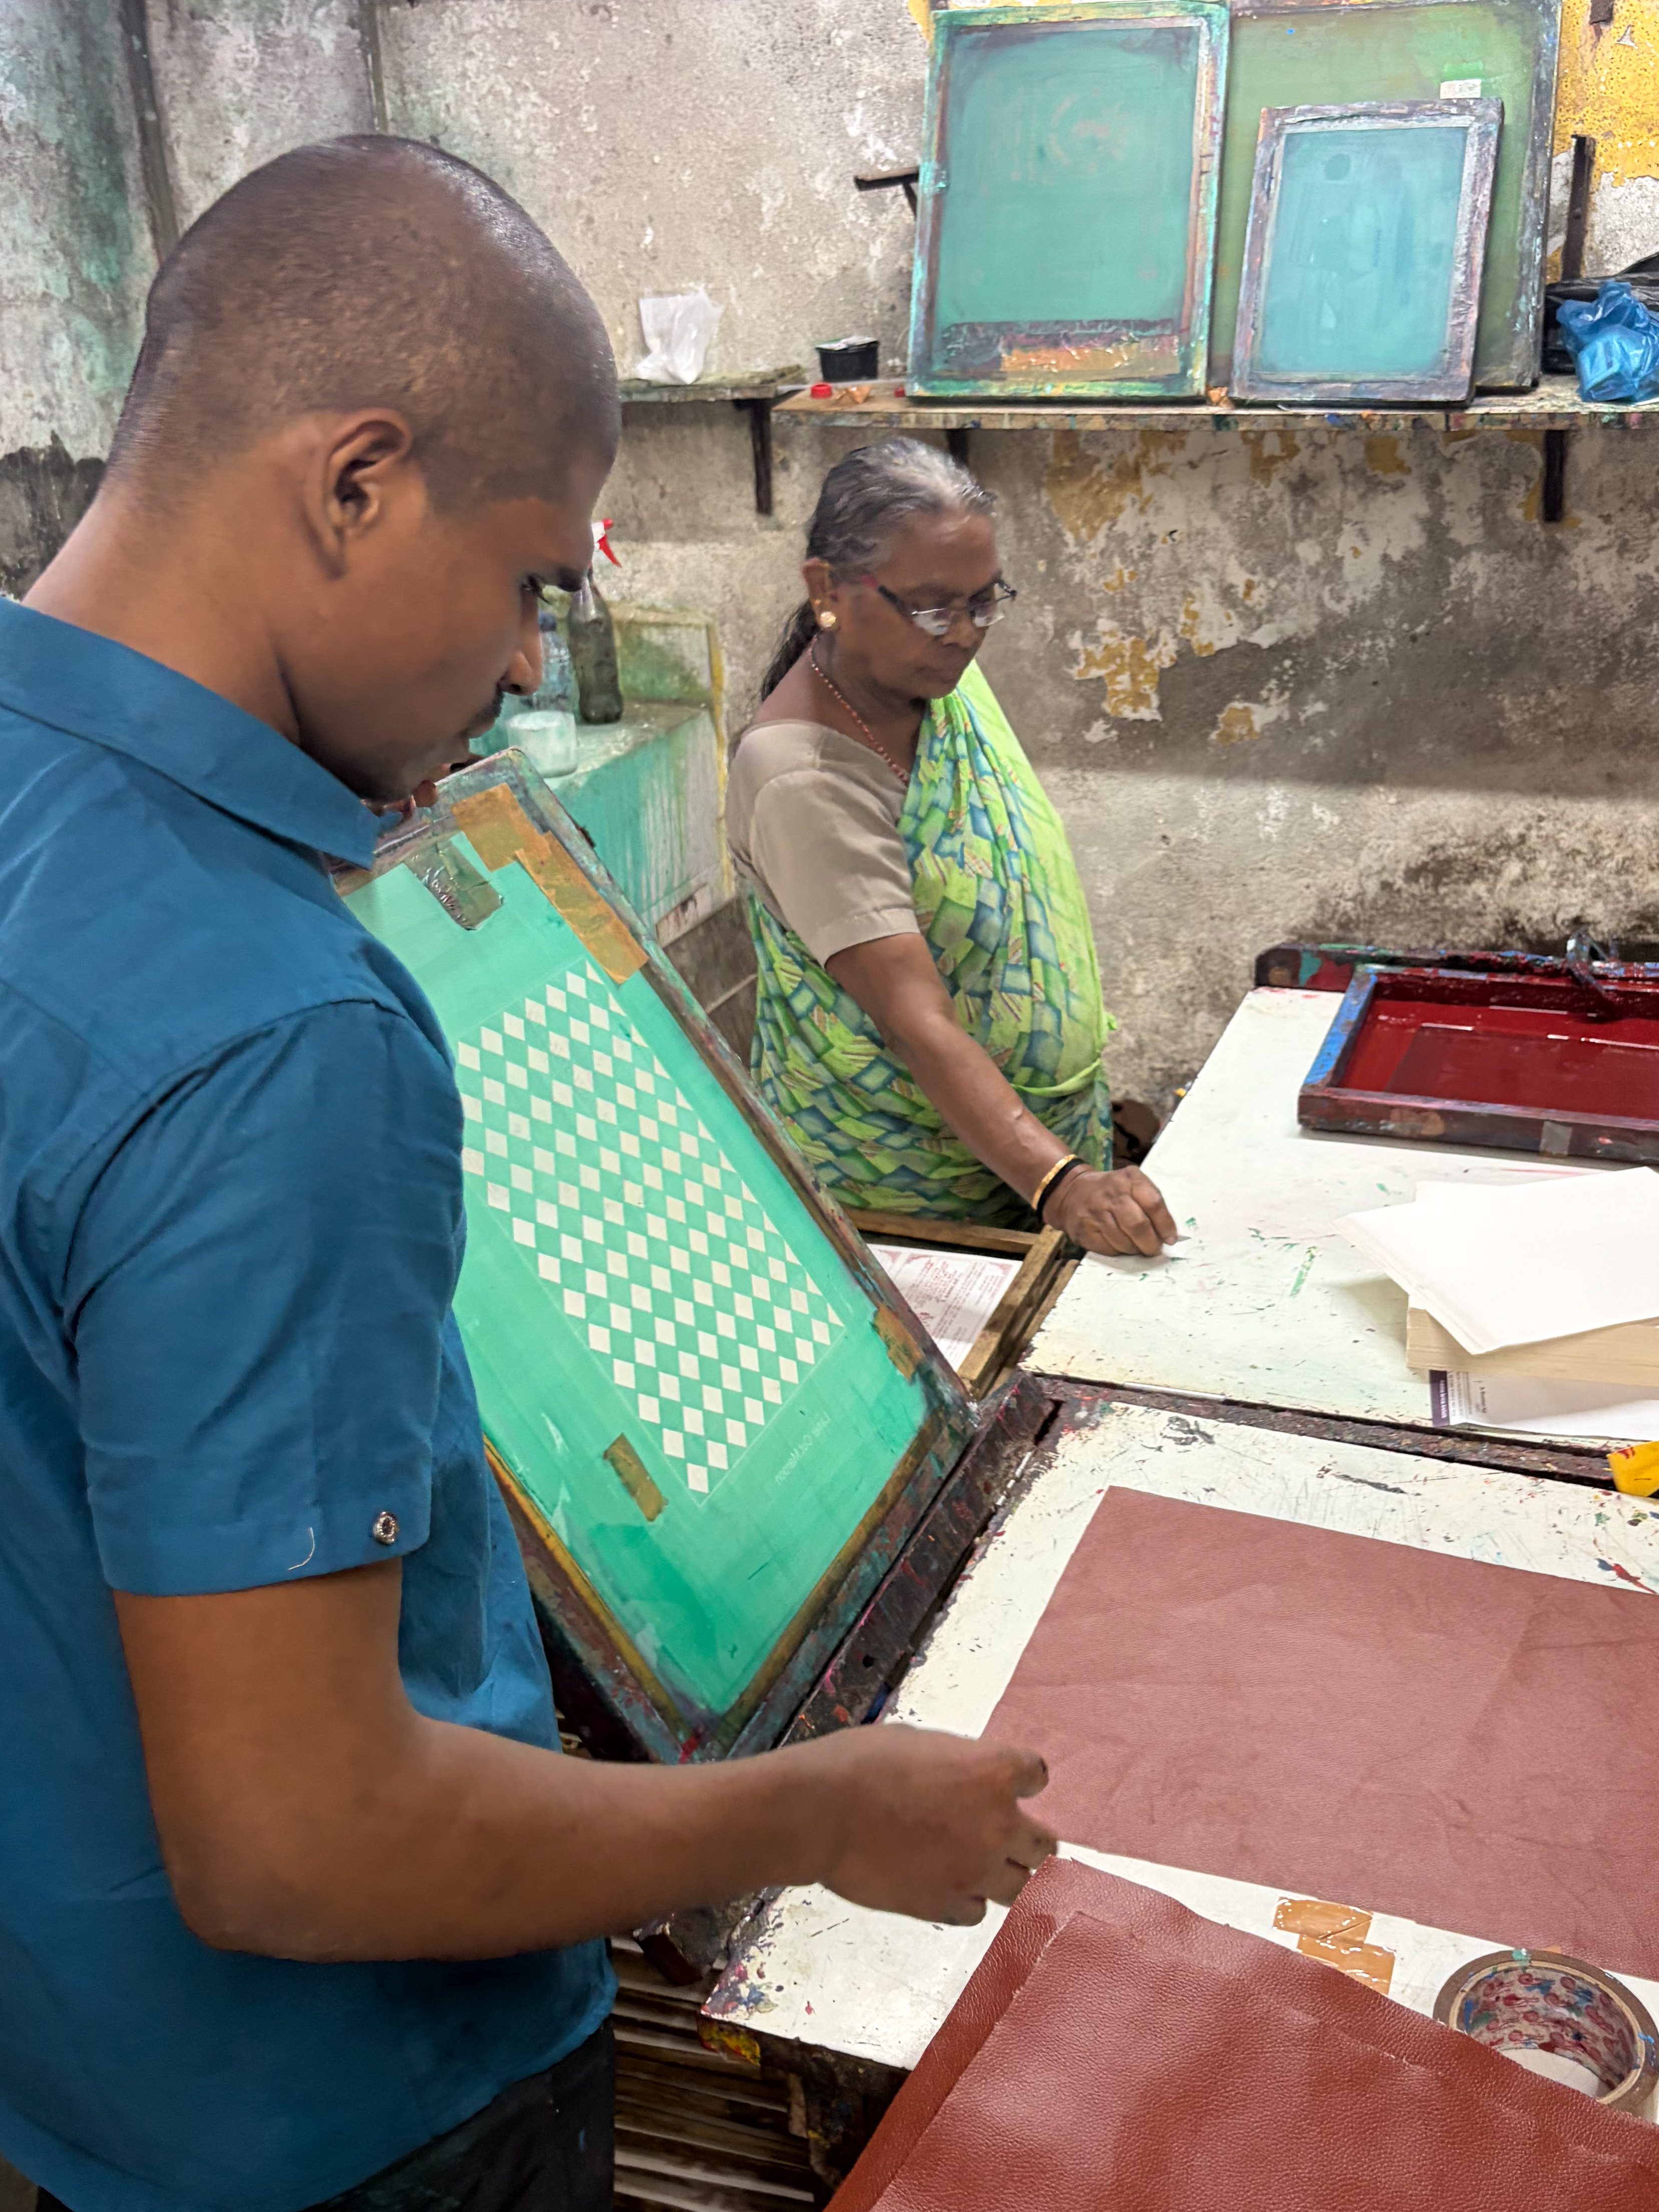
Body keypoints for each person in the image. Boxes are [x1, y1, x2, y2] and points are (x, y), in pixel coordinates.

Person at [0, 139, 1054, 2212]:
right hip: (361, 2122)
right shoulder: (278, 1028)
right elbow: (303, 1838)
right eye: (531, 588)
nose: (522, 669)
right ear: (356, 481)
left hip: (75, 2066)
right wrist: (811, 1813)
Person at [729, 441, 1176, 1256]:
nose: (968, 634)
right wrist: (1063, 1182)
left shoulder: (934, 684)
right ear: (827, 589)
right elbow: (913, 1018)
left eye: (985, 601)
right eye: (935, 608)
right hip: (907, 1194)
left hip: (1027, 1149)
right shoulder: (801, 777)